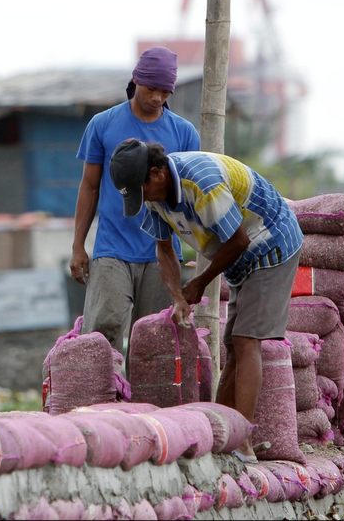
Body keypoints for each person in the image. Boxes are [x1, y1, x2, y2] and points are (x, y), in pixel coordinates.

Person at [109, 139, 303, 464]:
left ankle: (243, 440)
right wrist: (177, 297)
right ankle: (225, 433)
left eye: (143, 192)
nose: (145, 201)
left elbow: (238, 239)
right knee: (233, 343)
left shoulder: (201, 182)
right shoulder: (155, 197)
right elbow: (165, 248)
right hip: (241, 255)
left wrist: (200, 282)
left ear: (156, 174)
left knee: (246, 340)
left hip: (271, 243)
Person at [69, 46, 200, 361]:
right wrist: (77, 245)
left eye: (165, 91)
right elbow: (89, 186)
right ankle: (101, 405)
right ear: (135, 81)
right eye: (151, 88)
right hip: (112, 246)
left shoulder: (184, 133)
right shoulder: (103, 124)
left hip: (163, 251)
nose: (157, 97)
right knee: (103, 329)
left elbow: (190, 197)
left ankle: (149, 410)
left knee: (155, 343)